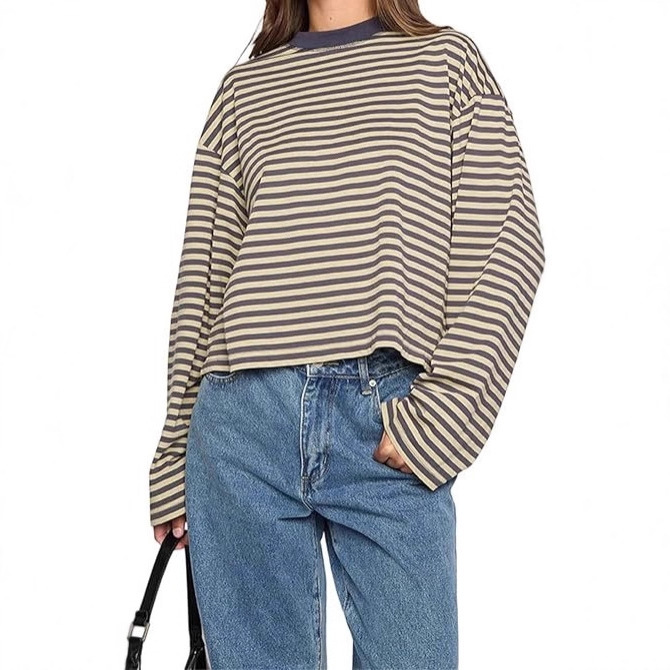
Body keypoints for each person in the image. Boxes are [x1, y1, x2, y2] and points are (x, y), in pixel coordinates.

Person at [148, 1, 546, 668]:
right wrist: (172, 455)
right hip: (241, 428)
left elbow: (509, 244)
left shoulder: (445, 64)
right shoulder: (244, 90)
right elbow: (203, 284)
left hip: (387, 415)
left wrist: (445, 413)